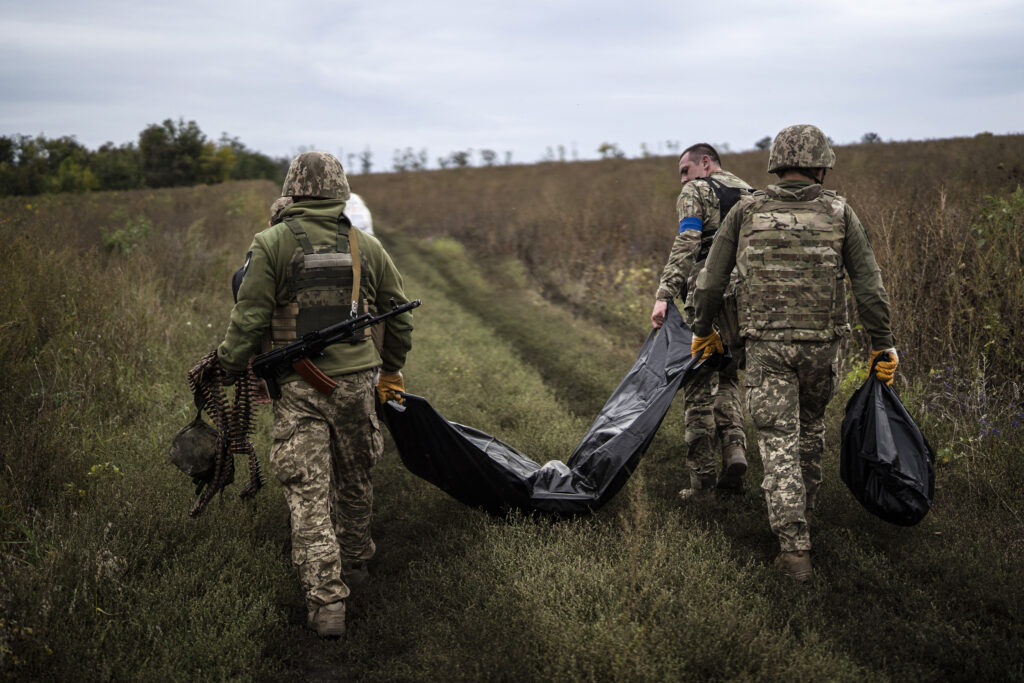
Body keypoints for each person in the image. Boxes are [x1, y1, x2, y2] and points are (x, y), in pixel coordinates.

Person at [217, 152, 414, 636]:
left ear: (294, 191)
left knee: (307, 491)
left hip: (299, 388)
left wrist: (226, 366)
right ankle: (355, 566)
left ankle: (327, 603)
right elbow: (399, 317)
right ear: (339, 192)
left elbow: (249, 319)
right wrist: (390, 369)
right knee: (355, 479)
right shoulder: (366, 245)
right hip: (356, 387)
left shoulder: (271, 243)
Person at [689, 125, 897, 581]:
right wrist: (883, 344)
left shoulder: (746, 211)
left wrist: (702, 330)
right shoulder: (841, 212)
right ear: (821, 165)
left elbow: (710, 281)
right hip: (824, 347)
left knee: (777, 438)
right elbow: (869, 286)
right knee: (810, 430)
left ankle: (794, 548)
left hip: (766, 347)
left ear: (776, 165)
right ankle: (804, 521)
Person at [650, 143, 753, 501]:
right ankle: (735, 452)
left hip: (708, 300)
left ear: (705, 163)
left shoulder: (697, 191)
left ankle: (702, 484)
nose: (682, 181)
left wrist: (665, 294)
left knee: (697, 384)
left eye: (684, 170)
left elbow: (688, 241)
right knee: (727, 376)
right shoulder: (752, 194)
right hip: (748, 305)